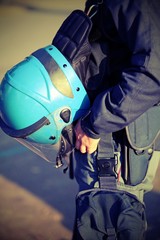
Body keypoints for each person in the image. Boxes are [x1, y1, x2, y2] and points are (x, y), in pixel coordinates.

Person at [0, 0, 160, 239]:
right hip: (101, 128)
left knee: (103, 222)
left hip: (110, 142)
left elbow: (153, 70)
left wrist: (95, 125)